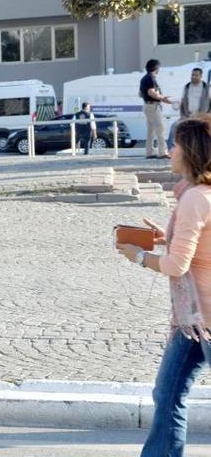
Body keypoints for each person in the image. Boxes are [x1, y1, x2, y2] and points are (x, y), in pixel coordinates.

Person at [117, 115, 211, 456]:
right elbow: (198, 245)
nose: (170, 151)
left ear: (192, 153)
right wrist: (165, 237)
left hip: (205, 320)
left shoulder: (195, 199)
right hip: (193, 323)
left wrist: (139, 256)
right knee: (167, 393)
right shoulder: (198, 195)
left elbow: (176, 265)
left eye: (176, 145)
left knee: (169, 394)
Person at [169, 68, 211, 150]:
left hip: (202, 117)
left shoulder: (207, 88)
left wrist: (207, 115)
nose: (194, 77)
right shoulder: (187, 87)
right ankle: (172, 149)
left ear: (201, 76)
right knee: (174, 126)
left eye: (196, 75)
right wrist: (183, 116)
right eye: (192, 75)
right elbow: (183, 102)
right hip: (188, 116)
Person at [140, 59, 173, 159]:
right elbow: (151, 92)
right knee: (160, 128)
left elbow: (141, 93)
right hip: (153, 106)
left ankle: (149, 152)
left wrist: (162, 99)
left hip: (147, 105)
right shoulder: (150, 78)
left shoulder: (144, 78)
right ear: (156, 68)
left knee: (151, 130)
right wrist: (162, 98)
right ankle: (163, 152)